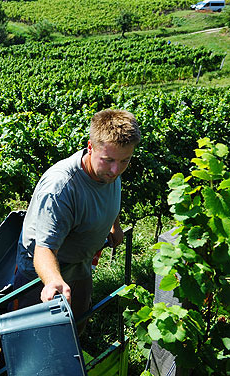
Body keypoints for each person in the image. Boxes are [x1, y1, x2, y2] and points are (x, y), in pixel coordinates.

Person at [13, 108, 141, 334]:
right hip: (42, 274)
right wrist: (53, 281)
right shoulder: (61, 189)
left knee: (76, 323)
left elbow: (109, 196)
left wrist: (115, 225)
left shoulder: (109, 170)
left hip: (80, 262)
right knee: (33, 337)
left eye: (124, 161)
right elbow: (44, 249)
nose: (116, 170)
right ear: (90, 147)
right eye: (109, 160)